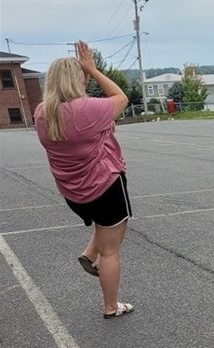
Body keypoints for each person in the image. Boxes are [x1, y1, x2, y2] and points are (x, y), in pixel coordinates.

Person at [34, 41, 134, 319]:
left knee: (103, 227)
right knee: (111, 251)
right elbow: (121, 98)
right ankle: (111, 306)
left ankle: (90, 253)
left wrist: (83, 77)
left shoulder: (42, 113)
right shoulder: (89, 109)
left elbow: (80, 115)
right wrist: (92, 68)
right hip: (106, 187)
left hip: (74, 194)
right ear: (78, 79)